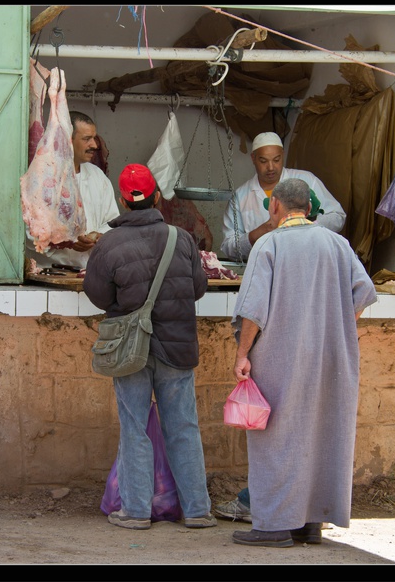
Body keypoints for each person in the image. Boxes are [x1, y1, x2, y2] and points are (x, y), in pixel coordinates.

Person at [228, 177, 377, 548]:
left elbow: (253, 311)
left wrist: (242, 354)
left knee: (276, 438)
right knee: (321, 434)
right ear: (309, 209)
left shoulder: (269, 244)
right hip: (331, 357)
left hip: (279, 357)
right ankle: (310, 523)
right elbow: (364, 293)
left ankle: (274, 526)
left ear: (275, 207)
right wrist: (335, 327)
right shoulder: (338, 245)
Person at [83, 163, 216, 531]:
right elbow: (198, 288)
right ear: (157, 197)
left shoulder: (108, 244)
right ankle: (197, 510)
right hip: (177, 348)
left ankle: (136, 511)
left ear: (124, 203)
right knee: (184, 427)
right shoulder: (182, 238)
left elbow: (97, 294)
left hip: (130, 350)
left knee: (134, 426)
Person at [220, 132, 346, 262]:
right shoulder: (240, 197)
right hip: (263, 269)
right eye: (263, 161)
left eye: (276, 160)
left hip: (306, 262)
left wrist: (306, 227)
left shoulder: (307, 180)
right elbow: (228, 247)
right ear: (253, 158)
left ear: (283, 155)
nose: (270, 167)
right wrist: (259, 232)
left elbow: (338, 216)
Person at [25, 111, 120, 269]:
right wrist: (66, 242)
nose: (94, 145)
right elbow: (28, 231)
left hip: (88, 273)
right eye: (86, 139)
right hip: (49, 273)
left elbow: (111, 221)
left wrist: (99, 237)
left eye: (94, 138)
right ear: (68, 140)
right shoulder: (41, 176)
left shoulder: (97, 176)